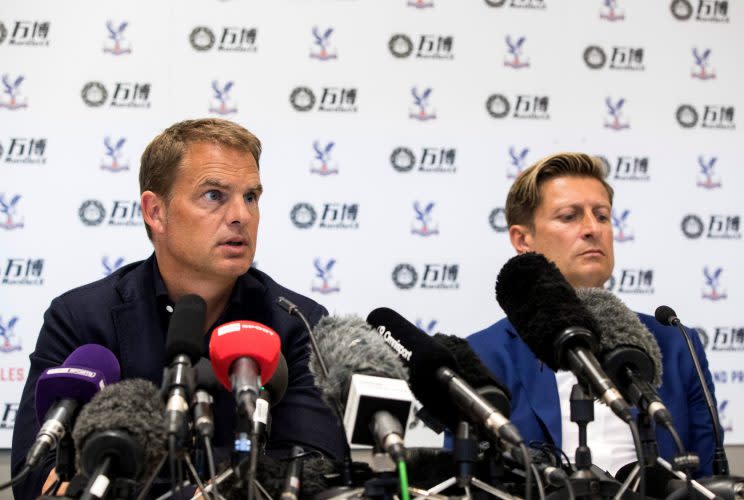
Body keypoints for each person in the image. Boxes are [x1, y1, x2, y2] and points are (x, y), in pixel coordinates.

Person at [11, 118, 346, 498]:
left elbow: (317, 467)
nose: (242, 215)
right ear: (155, 212)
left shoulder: (296, 323)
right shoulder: (80, 319)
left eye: (251, 196)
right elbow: (36, 474)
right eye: (215, 195)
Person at [468, 152, 719, 477]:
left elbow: (708, 475)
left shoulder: (676, 343)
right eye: (569, 216)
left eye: (602, 216)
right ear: (522, 239)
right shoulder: (483, 356)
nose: (592, 229)